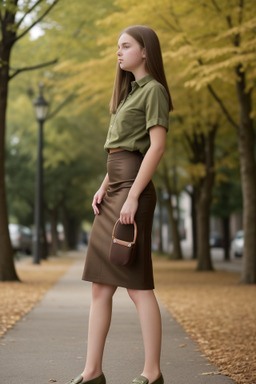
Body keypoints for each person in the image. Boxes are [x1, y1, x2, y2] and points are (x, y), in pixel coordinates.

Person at [66, 25, 173, 384]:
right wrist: (104, 185)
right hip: (115, 189)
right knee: (100, 285)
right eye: (117, 46)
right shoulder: (128, 94)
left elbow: (154, 147)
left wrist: (130, 195)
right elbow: (120, 149)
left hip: (133, 192)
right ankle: (93, 371)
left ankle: (152, 372)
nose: (119, 52)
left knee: (138, 286)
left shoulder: (154, 91)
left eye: (126, 46)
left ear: (145, 51)